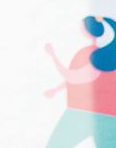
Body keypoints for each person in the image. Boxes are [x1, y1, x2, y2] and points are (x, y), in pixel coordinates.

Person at [42, 16, 116, 147]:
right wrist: (56, 89)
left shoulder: (95, 56)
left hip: (82, 112)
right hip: (107, 115)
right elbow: (84, 82)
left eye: (82, 27)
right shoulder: (105, 56)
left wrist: (53, 56)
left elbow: (74, 78)